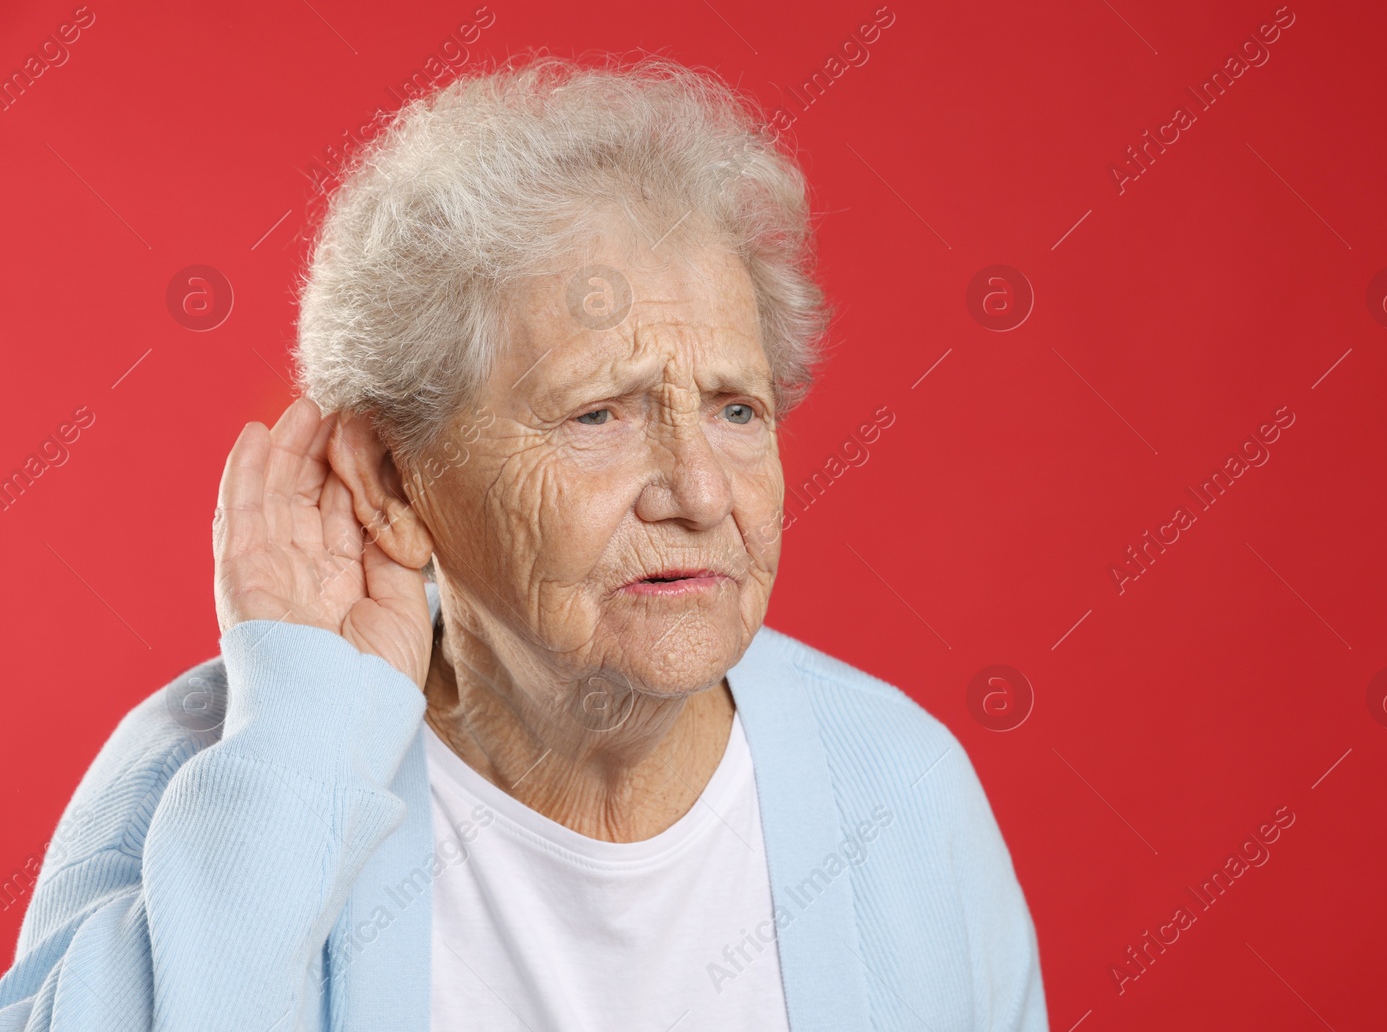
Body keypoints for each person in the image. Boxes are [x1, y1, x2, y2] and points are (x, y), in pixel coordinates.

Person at [0, 54, 1045, 1031]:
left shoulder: (898, 787)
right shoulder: (218, 763)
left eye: (736, 408)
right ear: (393, 477)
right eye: (600, 414)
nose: (698, 489)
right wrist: (299, 746)